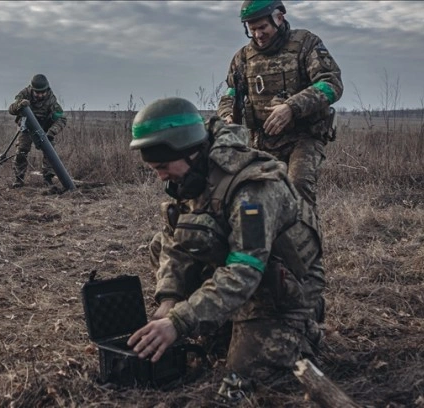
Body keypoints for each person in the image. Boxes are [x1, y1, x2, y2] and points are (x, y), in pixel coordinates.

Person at [127, 97, 325, 396]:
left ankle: (300, 332)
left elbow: (245, 270)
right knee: (160, 243)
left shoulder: (252, 188)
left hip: (280, 292)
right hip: (239, 278)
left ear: (189, 151)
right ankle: (225, 322)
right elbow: (173, 244)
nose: (160, 176)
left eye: (163, 166)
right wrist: (169, 300)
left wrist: (180, 321)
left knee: (240, 380)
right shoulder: (190, 178)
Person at [216, 0, 343, 208]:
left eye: (263, 27)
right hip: (262, 141)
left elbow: (331, 83)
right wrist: (227, 116)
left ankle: (306, 238)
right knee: (260, 200)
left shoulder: (306, 44)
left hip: (304, 136)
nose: (258, 34)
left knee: (298, 188)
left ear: (279, 18)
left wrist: (292, 107)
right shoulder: (243, 58)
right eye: (252, 29)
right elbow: (231, 93)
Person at [7, 74, 67, 188]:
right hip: (27, 127)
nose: (40, 95)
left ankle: (48, 179)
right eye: (37, 92)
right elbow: (11, 110)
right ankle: (19, 179)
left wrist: (51, 133)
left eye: (42, 92)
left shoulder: (51, 100)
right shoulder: (24, 94)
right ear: (32, 89)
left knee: (50, 153)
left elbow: (61, 118)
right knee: (21, 150)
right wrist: (19, 105)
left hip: (44, 127)